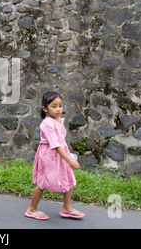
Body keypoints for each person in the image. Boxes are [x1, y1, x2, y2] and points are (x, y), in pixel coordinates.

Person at [25, 91, 84, 220]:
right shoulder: (47, 124)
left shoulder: (58, 120)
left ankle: (67, 207)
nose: (58, 109)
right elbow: (55, 144)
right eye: (54, 106)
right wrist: (69, 160)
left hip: (60, 155)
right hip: (49, 156)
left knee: (68, 178)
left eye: (60, 106)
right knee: (42, 182)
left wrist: (67, 156)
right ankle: (32, 209)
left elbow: (61, 141)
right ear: (45, 108)